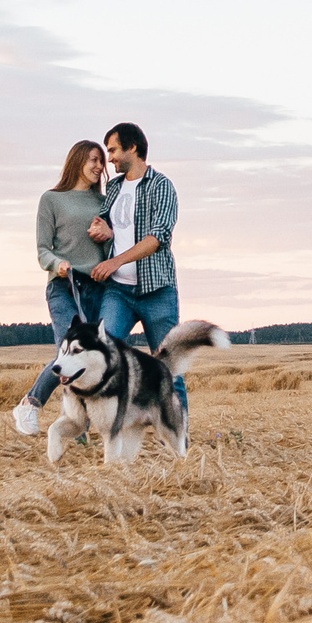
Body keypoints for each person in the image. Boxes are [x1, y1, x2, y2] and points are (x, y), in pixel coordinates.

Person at [86, 121, 190, 408]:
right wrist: (102, 228)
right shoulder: (114, 185)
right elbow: (109, 221)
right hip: (118, 291)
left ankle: (178, 443)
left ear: (133, 147)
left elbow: (158, 237)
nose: (110, 158)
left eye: (114, 150)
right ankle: (114, 426)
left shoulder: (162, 186)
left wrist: (115, 261)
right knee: (103, 356)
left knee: (169, 370)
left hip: (157, 291)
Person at [12, 139, 112, 437]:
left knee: (88, 359)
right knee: (67, 353)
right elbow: (43, 250)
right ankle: (30, 403)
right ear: (78, 160)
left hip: (97, 287)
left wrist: (107, 235)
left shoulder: (104, 203)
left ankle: (79, 429)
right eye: (93, 159)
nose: (98, 166)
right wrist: (59, 264)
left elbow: (113, 249)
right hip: (63, 285)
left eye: (102, 162)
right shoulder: (52, 200)